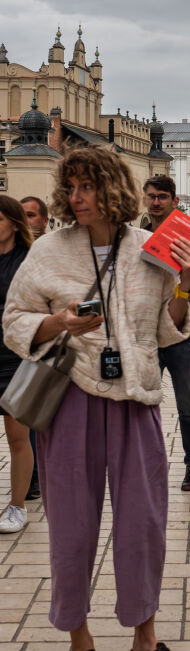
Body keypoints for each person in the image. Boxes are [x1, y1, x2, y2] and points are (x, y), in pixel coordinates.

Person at [3, 144, 190, 651]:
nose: (76, 196)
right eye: (71, 187)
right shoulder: (47, 250)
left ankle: (144, 643)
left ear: (112, 188)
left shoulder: (150, 247)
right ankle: (80, 646)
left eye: (87, 186)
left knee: (144, 524)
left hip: (135, 397)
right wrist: (60, 322)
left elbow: (166, 329)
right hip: (69, 398)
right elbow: (15, 320)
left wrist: (185, 279)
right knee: (72, 524)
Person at [143, 175, 190, 491]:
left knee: (186, 402)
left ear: (175, 199)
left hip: (182, 334)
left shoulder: (189, 234)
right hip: (147, 333)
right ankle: (144, 463)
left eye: (162, 196)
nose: (156, 201)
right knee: (143, 402)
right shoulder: (137, 234)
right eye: (151, 196)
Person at [0, 197, 33, 534]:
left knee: (17, 437)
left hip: (16, 358)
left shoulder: (29, 260)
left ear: (13, 222)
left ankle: (17, 506)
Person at [19, 196, 48, 501]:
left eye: (31, 215)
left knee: (31, 416)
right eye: (22, 215)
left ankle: (35, 476)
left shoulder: (47, 254)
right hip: (15, 343)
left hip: (40, 346)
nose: (26, 222)